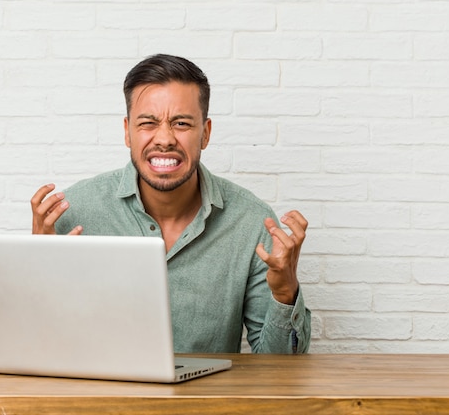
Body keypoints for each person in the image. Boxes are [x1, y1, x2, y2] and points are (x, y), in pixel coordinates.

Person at [30, 54, 311, 353]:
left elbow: (279, 370)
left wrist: (284, 292)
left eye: (181, 123)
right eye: (148, 123)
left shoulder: (251, 223)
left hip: (205, 400)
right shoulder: (70, 214)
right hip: (102, 397)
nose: (164, 139)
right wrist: (36, 275)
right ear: (127, 131)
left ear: (205, 133)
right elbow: (41, 347)